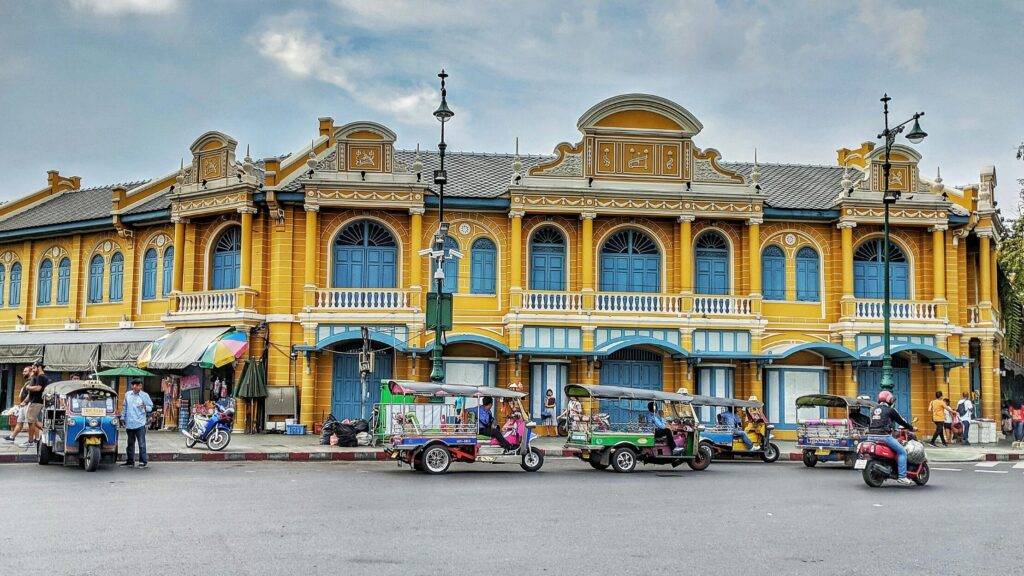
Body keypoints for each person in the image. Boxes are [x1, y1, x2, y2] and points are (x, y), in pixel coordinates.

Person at [867, 390, 916, 485]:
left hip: (870, 436)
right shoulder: (890, 410)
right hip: (883, 436)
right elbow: (901, 421)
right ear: (889, 400)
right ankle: (902, 477)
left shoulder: (873, 410)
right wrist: (911, 428)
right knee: (902, 452)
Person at [121, 379, 153, 468]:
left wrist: (145, 407)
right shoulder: (127, 395)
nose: (135, 387)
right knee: (130, 443)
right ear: (132, 386)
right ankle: (130, 461)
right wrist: (122, 417)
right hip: (129, 423)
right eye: (133, 385)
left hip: (140, 423)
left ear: (140, 386)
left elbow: (150, 407)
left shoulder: (144, 395)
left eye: (137, 385)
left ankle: (143, 461)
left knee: (141, 443)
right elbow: (125, 407)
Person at [2, 367, 33, 444]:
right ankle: (12, 437)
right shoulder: (28, 381)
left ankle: (33, 440)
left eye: (25, 371)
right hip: (23, 405)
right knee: (20, 422)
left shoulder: (32, 381)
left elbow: (30, 394)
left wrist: (25, 402)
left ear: (31, 372)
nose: (23, 373)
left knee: (32, 423)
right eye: (23, 371)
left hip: (27, 405)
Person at [21, 363, 48, 448]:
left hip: (36, 402)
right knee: (33, 421)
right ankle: (48, 431)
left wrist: (28, 387)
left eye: (34, 368)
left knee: (30, 422)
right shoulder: (41, 376)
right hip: (36, 401)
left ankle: (31, 441)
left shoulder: (40, 377)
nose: (32, 370)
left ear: (39, 367)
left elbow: (38, 388)